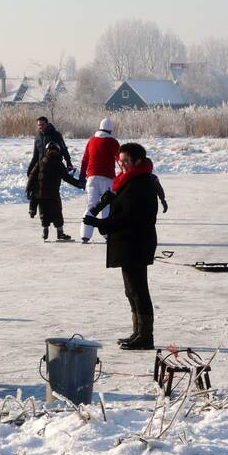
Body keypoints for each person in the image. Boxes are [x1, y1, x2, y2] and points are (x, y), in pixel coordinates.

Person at [83, 143, 158, 350]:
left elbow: (129, 217)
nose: (121, 165)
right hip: (128, 243)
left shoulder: (142, 183)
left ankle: (146, 337)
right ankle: (137, 332)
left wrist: (100, 223)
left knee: (139, 290)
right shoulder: (128, 180)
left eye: (125, 161)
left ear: (138, 161)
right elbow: (122, 207)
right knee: (131, 291)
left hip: (137, 242)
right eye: (120, 161)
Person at [26, 142, 83, 241]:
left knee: (45, 213)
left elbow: (32, 176)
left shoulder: (41, 162)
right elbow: (67, 178)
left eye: (54, 151)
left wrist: (28, 188)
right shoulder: (58, 164)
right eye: (51, 150)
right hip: (52, 194)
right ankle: (57, 232)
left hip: (41, 194)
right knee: (56, 213)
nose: (52, 152)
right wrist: (78, 184)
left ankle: (46, 231)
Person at [78, 117, 120, 244]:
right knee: (106, 205)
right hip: (107, 178)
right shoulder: (113, 142)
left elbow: (85, 159)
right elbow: (120, 159)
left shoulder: (91, 141)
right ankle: (107, 234)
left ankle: (85, 235)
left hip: (91, 177)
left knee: (91, 205)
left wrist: (81, 176)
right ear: (110, 131)